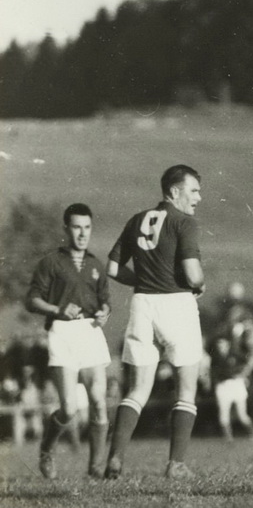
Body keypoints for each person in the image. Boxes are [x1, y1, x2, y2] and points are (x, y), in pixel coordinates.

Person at [104, 164, 206, 479]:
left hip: (142, 304)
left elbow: (112, 268)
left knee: (137, 389)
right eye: (193, 190)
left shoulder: (137, 220)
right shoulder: (184, 222)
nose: (198, 198)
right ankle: (176, 464)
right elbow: (192, 274)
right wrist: (200, 284)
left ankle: (115, 459)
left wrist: (145, 279)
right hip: (176, 303)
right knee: (186, 388)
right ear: (174, 191)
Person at [26, 203, 112, 478]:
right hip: (63, 332)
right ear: (66, 229)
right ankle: (47, 450)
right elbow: (31, 299)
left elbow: (105, 302)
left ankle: (96, 468)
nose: (82, 233)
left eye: (87, 227)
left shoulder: (96, 264)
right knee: (69, 408)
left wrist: (104, 313)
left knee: (99, 399)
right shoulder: (51, 262)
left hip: (90, 332)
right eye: (76, 227)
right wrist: (57, 309)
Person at [209, 336, 253, 442]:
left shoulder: (235, 355)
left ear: (227, 344)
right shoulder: (215, 358)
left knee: (242, 415)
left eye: (222, 344)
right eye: (219, 344)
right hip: (223, 385)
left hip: (236, 384)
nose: (220, 347)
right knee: (223, 414)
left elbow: (251, 360)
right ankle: (228, 438)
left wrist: (244, 374)